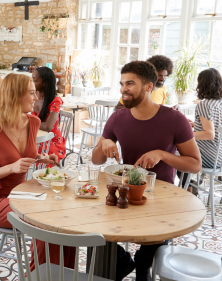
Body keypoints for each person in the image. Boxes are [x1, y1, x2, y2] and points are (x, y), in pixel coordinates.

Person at [91, 60, 201, 281]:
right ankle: (122, 262)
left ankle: (143, 266)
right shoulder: (117, 117)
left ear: (149, 86)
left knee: (147, 261)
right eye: (122, 83)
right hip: (123, 193)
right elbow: (95, 160)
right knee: (97, 240)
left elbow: (195, 164)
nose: (124, 89)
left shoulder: (174, 119)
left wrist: (162, 154)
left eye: (130, 83)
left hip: (160, 198)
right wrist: (103, 144)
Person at [0, 73, 62, 271]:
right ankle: (38, 275)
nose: (37, 98)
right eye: (31, 93)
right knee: (43, 219)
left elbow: (23, 153)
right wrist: (10, 168)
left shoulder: (33, 123)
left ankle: (59, 273)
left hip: (23, 195)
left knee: (60, 214)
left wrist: (42, 158)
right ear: (15, 96)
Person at [178, 68, 222, 190]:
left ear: (202, 84)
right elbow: (216, 126)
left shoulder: (204, 104)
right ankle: (190, 184)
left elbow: (209, 134)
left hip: (212, 159)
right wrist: (195, 125)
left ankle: (188, 188)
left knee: (177, 154)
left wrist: (187, 133)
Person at [31, 66, 66, 161]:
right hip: (37, 137)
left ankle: (33, 174)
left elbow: (48, 127)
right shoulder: (33, 96)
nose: (31, 83)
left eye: (34, 80)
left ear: (45, 83)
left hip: (51, 141)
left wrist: (26, 123)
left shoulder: (55, 101)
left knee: (26, 151)